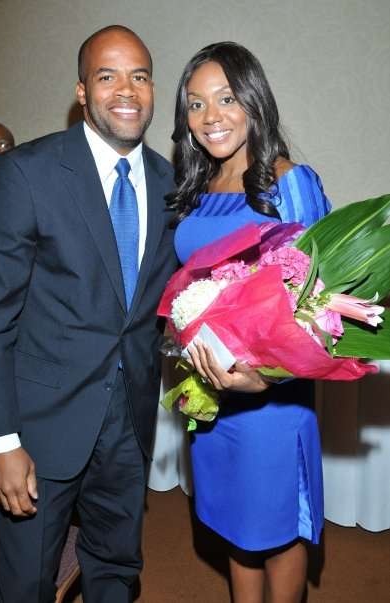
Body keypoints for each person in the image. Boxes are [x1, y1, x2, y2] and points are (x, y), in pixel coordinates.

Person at [0, 25, 177, 603]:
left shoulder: (171, 184)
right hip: (40, 427)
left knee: (116, 567)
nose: (127, 90)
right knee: (22, 583)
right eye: (108, 75)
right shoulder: (25, 174)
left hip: (129, 420)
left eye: (140, 76)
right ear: (81, 90)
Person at [168, 42, 331, 603]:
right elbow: (189, 285)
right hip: (211, 394)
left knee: (279, 532)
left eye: (227, 98)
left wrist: (263, 377)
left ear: (254, 102)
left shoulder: (288, 183)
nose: (211, 116)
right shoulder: (197, 191)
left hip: (269, 401)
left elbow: (320, 305)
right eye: (195, 104)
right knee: (237, 533)